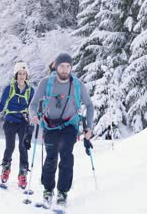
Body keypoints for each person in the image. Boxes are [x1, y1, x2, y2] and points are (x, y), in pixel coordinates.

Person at [29, 52, 94, 207]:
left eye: (68, 66)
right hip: (50, 125)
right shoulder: (46, 83)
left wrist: (89, 127)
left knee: (66, 156)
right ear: (56, 67)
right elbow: (33, 103)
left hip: (70, 126)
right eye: (62, 66)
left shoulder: (77, 85)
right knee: (51, 157)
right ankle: (48, 191)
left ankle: (62, 193)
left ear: (71, 67)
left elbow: (89, 105)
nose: (65, 70)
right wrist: (33, 115)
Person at [0, 61, 35, 189]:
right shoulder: (9, 88)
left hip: (23, 122)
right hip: (10, 121)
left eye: (24, 73)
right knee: (10, 147)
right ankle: (5, 170)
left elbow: (32, 106)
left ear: (27, 75)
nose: (22, 76)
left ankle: (22, 175)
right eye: (19, 74)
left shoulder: (30, 90)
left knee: (23, 148)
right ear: (16, 75)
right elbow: (1, 105)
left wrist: (36, 113)